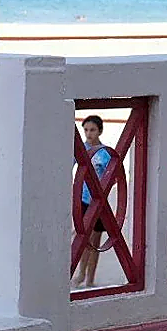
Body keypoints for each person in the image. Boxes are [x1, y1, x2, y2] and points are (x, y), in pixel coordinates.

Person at [72, 115, 111, 289]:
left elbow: (112, 176)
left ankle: (90, 278)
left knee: (95, 242)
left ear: (100, 131)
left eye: (92, 130)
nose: (88, 133)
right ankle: (81, 273)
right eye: (86, 130)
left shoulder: (105, 152)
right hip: (83, 199)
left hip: (99, 201)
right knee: (84, 240)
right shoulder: (81, 149)